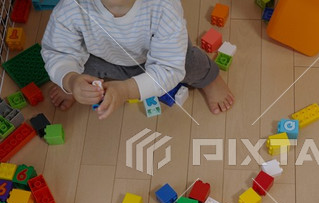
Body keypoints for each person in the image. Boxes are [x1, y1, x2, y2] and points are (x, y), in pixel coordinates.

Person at [41, 0, 234, 120]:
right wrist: (70, 80)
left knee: (187, 61)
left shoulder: (163, 5)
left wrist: (126, 90)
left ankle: (210, 78)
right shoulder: (71, 7)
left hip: (160, 55)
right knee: (72, 70)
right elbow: (59, 51)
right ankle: (73, 82)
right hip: (105, 57)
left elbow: (169, 67)